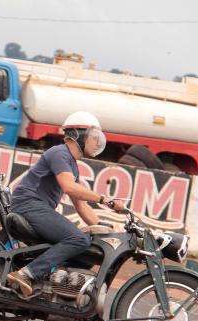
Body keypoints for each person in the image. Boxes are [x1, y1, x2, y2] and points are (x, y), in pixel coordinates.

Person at [7, 111, 125, 297]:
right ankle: (27, 274)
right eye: (94, 137)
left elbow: (81, 205)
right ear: (80, 135)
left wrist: (104, 229)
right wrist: (105, 200)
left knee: (89, 245)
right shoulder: (59, 153)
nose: (97, 143)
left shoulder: (72, 165)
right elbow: (68, 187)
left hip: (38, 208)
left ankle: (55, 284)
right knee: (78, 239)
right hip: (29, 204)